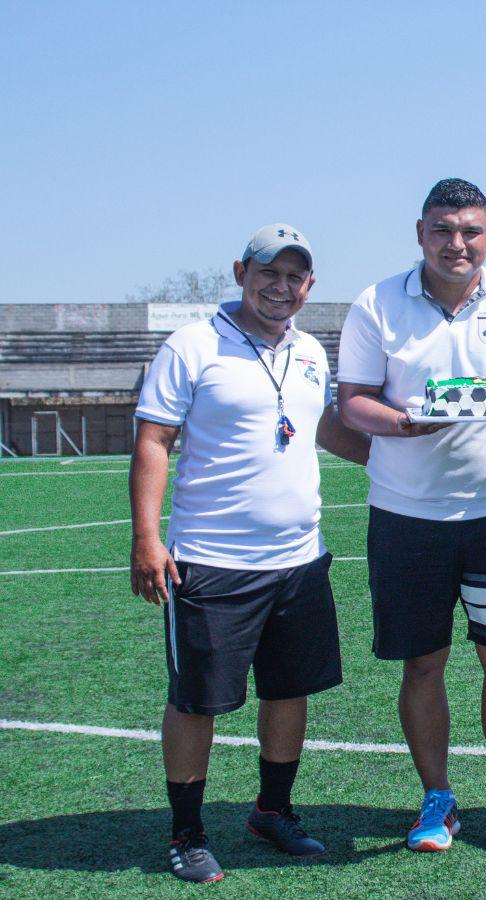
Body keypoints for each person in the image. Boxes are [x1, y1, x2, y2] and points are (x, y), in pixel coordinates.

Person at [129, 224, 370, 883]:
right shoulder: (193, 345)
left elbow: (326, 430)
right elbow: (154, 441)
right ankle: (186, 832)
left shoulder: (312, 350)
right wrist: (147, 538)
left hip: (298, 560)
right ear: (241, 271)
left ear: (309, 286)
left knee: (290, 691)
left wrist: (407, 460)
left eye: (295, 276)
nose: (281, 285)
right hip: (211, 560)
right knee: (196, 701)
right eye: (269, 271)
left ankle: (274, 810)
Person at [336, 178, 486, 861]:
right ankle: (436, 796)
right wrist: (408, 423)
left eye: (470, 231)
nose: (456, 243)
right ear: (420, 232)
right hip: (406, 518)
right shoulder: (376, 303)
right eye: (443, 229)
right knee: (422, 664)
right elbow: (352, 403)